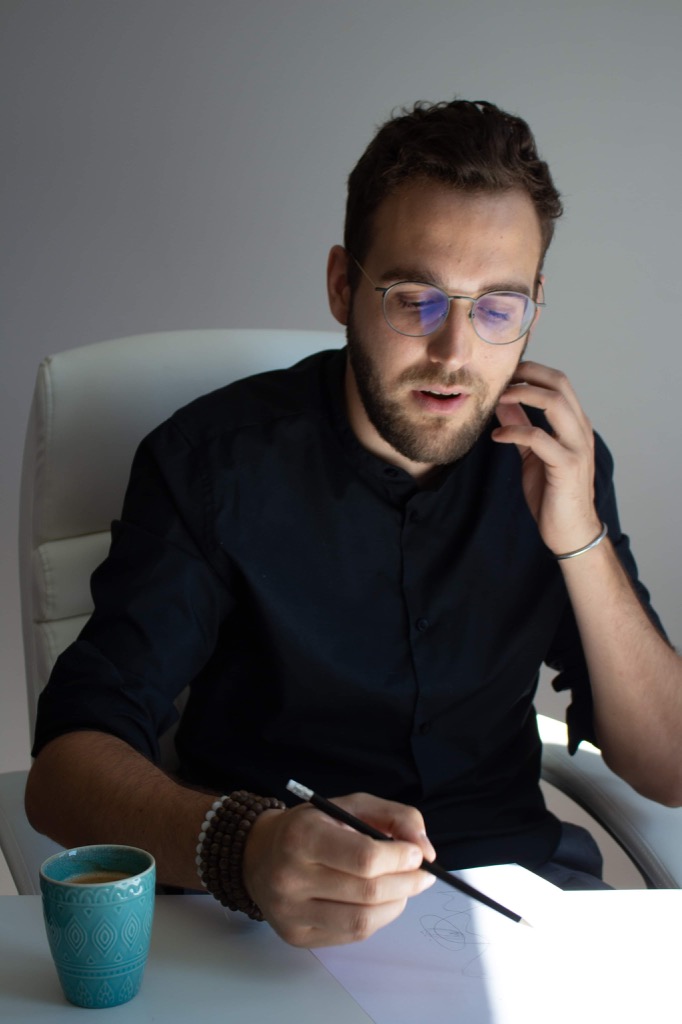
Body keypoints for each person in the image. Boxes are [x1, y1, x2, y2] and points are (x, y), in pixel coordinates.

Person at [25, 99, 681, 949]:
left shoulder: (557, 462)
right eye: (417, 299)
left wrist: (580, 538)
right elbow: (63, 773)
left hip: (516, 903)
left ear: (535, 307)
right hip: (261, 916)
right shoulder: (211, 463)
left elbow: (667, 766)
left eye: (496, 308)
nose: (455, 354)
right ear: (343, 284)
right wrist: (244, 847)